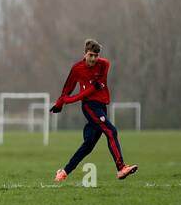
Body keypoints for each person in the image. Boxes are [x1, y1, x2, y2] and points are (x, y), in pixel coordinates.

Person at [51, 39, 138, 181]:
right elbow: (67, 89)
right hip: (89, 106)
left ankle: (63, 172)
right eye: (90, 55)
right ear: (84, 54)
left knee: (89, 144)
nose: (93, 59)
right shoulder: (77, 69)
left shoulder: (104, 65)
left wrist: (73, 99)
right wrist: (59, 104)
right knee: (111, 131)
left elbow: (94, 88)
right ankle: (121, 168)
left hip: (101, 106)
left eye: (95, 56)